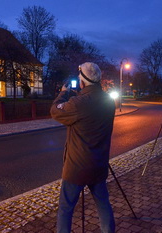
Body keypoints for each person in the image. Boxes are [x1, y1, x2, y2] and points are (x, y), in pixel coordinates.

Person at [50, 62, 116, 233]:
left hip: (76, 167)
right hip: (99, 164)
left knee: (65, 209)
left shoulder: (78, 103)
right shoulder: (109, 101)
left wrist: (63, 94)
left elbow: (55, 112)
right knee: (103, 205)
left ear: (82, 82)